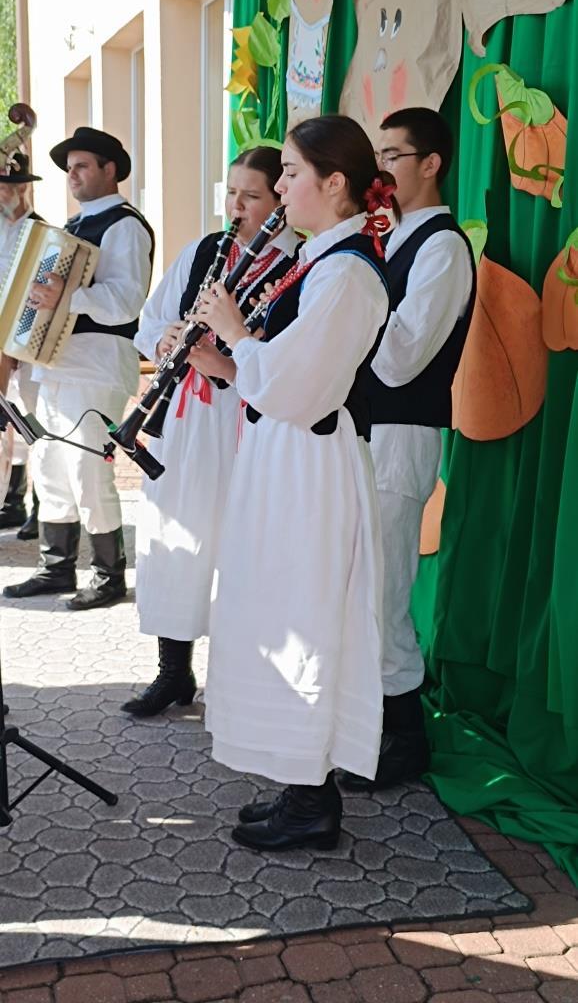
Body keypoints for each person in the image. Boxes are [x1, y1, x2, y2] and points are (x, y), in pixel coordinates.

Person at [196, 114, 396, 852]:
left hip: (309, 468)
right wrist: (225, 364)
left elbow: (302, 389)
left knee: (304, 617)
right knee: (279, 606)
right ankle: (299, 783)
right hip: (286, 459)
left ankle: (313, 801)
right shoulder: (323, 260)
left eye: (289, 173)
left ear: (333, 182)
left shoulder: (347, 274)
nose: (278, 188)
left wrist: (237, 336)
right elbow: (280, 375)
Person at [122, 146, 301, 718]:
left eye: (251, 196)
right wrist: (166, 340)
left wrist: (225, 358)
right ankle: (173, 671)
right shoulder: (204, 251)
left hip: (244, 420)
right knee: (174, 540)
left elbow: (289, 359)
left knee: (238, 548)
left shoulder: (298, 262)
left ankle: (239, 680)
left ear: (280, 200)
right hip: (183, 418)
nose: (236, 207)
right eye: (231, 193)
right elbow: (149, 321)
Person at [341, 107, 476, 794]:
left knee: (385, 594)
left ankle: (406, 739)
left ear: (431, 163)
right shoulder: (388, 239)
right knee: (358, 588)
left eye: (394, 155)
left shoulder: (442, 248)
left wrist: (348, 304)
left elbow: (399, 361)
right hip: (363, 431)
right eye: (379, 155)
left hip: (401, 435)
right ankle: (368, 725)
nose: (382, 168)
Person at [3, 127, 154, 609]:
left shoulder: (125, 225)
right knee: (49, 464)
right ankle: (56, 567)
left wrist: (65, 297)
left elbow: (126, 300)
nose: (72, 174)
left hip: (97, 362)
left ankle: (108, 576)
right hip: (55, 362)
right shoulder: (72, 225)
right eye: (69, 168)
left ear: (111, 169)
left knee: (87, 467)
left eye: (82, 165)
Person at [0, 152, 43, 540]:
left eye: (8, 186)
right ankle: (11, 503)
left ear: (23, 188)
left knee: (33, 419)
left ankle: (42, 508)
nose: (2, 193)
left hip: (28, 339)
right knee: (5, 425)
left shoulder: (41, 231)